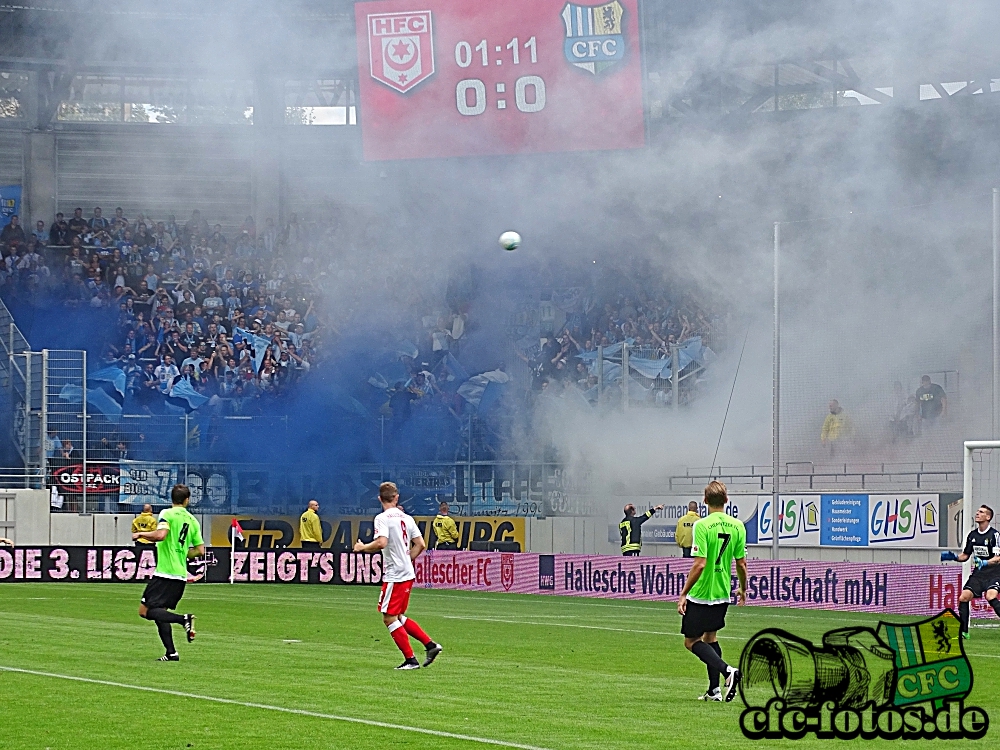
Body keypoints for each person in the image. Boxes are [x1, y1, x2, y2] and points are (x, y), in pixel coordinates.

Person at [353, 481, 443, 670]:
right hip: (407, 573)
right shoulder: (407, 518)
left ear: (379, 498)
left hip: (395, 575)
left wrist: (362, 547)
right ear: (397, 498)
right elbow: (421, 544)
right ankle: (430, 645)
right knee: (398, 616)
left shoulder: (382, 518)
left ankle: (411, 660)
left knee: (389, 618)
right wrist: (406, 559)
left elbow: (381, 543)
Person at [677, 480, 747, 702]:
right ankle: (714, 691)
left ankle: (728, 672)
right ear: (726, 501)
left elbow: (699, 564)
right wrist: (743, 590)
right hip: (723, 591)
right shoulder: (738, 526)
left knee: (691, 642)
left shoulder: (702, 525)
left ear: (705, 500)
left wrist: (684, 593)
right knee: (710, 637)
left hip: (702, 592)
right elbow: (741, 564)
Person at [132, 484, 203, 661]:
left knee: (144, 611)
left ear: (171, 498)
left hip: (165, 572)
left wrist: (141, 534)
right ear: (187, 500)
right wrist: (183, 554)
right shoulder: (193, 520)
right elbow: (200, 550)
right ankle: (171, 652)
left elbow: (161, 535)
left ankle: (183, 619)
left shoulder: (167, 514)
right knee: (160, 612)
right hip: (179, 575)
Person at [942, 504, 1000, 638]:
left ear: (988, 517)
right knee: (964, 597)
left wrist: (985, 562)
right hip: (979, 574)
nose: (977, 513)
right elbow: (965, 556)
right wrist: (955, 557)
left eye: (981, 512)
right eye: (977, 511)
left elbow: (998, 558)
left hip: (995, 573)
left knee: (990, 596)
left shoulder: (994, 535)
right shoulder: (972, 535)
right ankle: (963, 632)